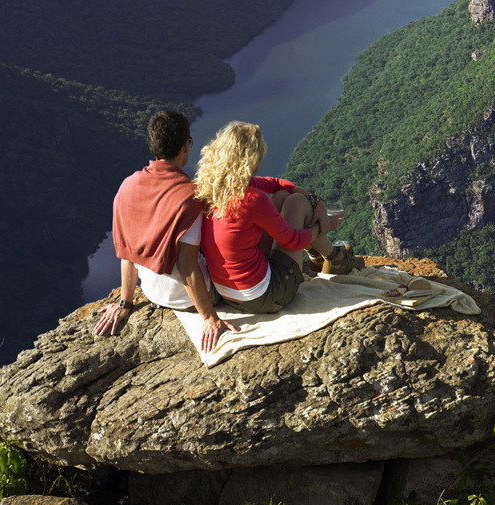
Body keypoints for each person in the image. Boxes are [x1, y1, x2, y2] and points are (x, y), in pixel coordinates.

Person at [94, 110, 233, 351]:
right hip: (188, 298)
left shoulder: (127, 186)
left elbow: (127, 251)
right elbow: (187, 264)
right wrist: (210, 319)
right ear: (185, 147)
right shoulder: (189, 195)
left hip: (151, 292)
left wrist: (125, 303)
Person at [194, 121, 351, 314]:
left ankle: (326, 257)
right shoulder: (251, 199)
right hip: (266, 296)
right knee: (297, 203)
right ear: (252, 159)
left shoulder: (211, 189)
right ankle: (335, 258)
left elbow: (276, 183)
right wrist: (323, 225)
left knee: (282, 196)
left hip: (230, 295)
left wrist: (318, 202)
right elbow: (293, 242)